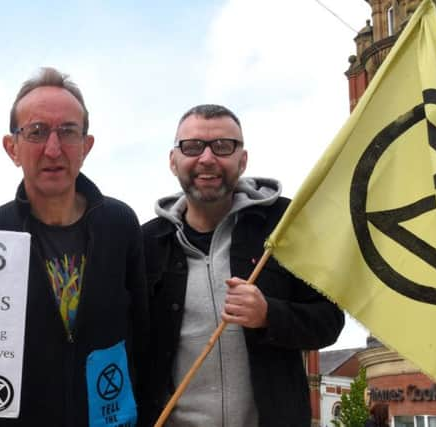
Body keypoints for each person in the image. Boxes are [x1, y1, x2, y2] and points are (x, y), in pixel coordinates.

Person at [140, 104, 345, 426]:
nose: (207, 158)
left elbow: (329, 321)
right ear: (173, 160)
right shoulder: (146, 243)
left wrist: (269, 315)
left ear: (243, 160)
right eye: (192, 147)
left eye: (223, 146)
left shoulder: (284, 225)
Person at [0, 67, 148, 426]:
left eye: (67, 132)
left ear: (86, 146)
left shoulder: (121, 224)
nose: (53, 149)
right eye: (36, 132)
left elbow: (141, 333)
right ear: (13, 148)